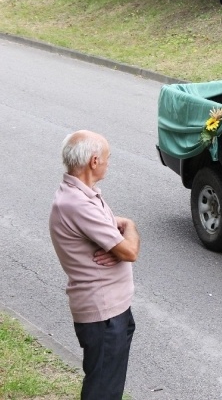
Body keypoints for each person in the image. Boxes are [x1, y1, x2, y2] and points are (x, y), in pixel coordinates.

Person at [49, 130, 140, 400]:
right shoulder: (78, 204)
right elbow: (130, 251)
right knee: (102, 391)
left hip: (112, 310)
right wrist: (129, 227)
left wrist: (117, 244)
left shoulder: (82, 195)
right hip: (104, 315)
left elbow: (118, 242)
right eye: (107, 157)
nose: (109, 163)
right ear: (94, 161)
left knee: (108, 387)